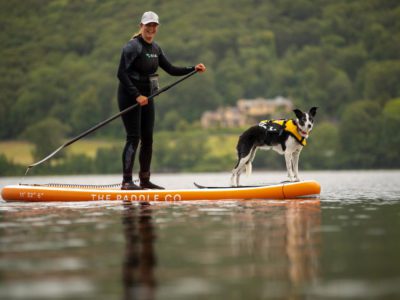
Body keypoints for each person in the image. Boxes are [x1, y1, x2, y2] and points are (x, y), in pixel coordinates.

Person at [117, 11, 206, 190]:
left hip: (147, 97)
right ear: (141, 26)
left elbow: (171, 69)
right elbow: (121, 73)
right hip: (129, 96)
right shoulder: (132, 47)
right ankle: (127, 182)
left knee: (148, 139)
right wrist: (136, 95)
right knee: (133, 138)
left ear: (157, 28)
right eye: (147, 25)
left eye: (154, 26)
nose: (151, 29)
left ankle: (144, 180)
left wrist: (193, 69)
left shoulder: (156, 49)